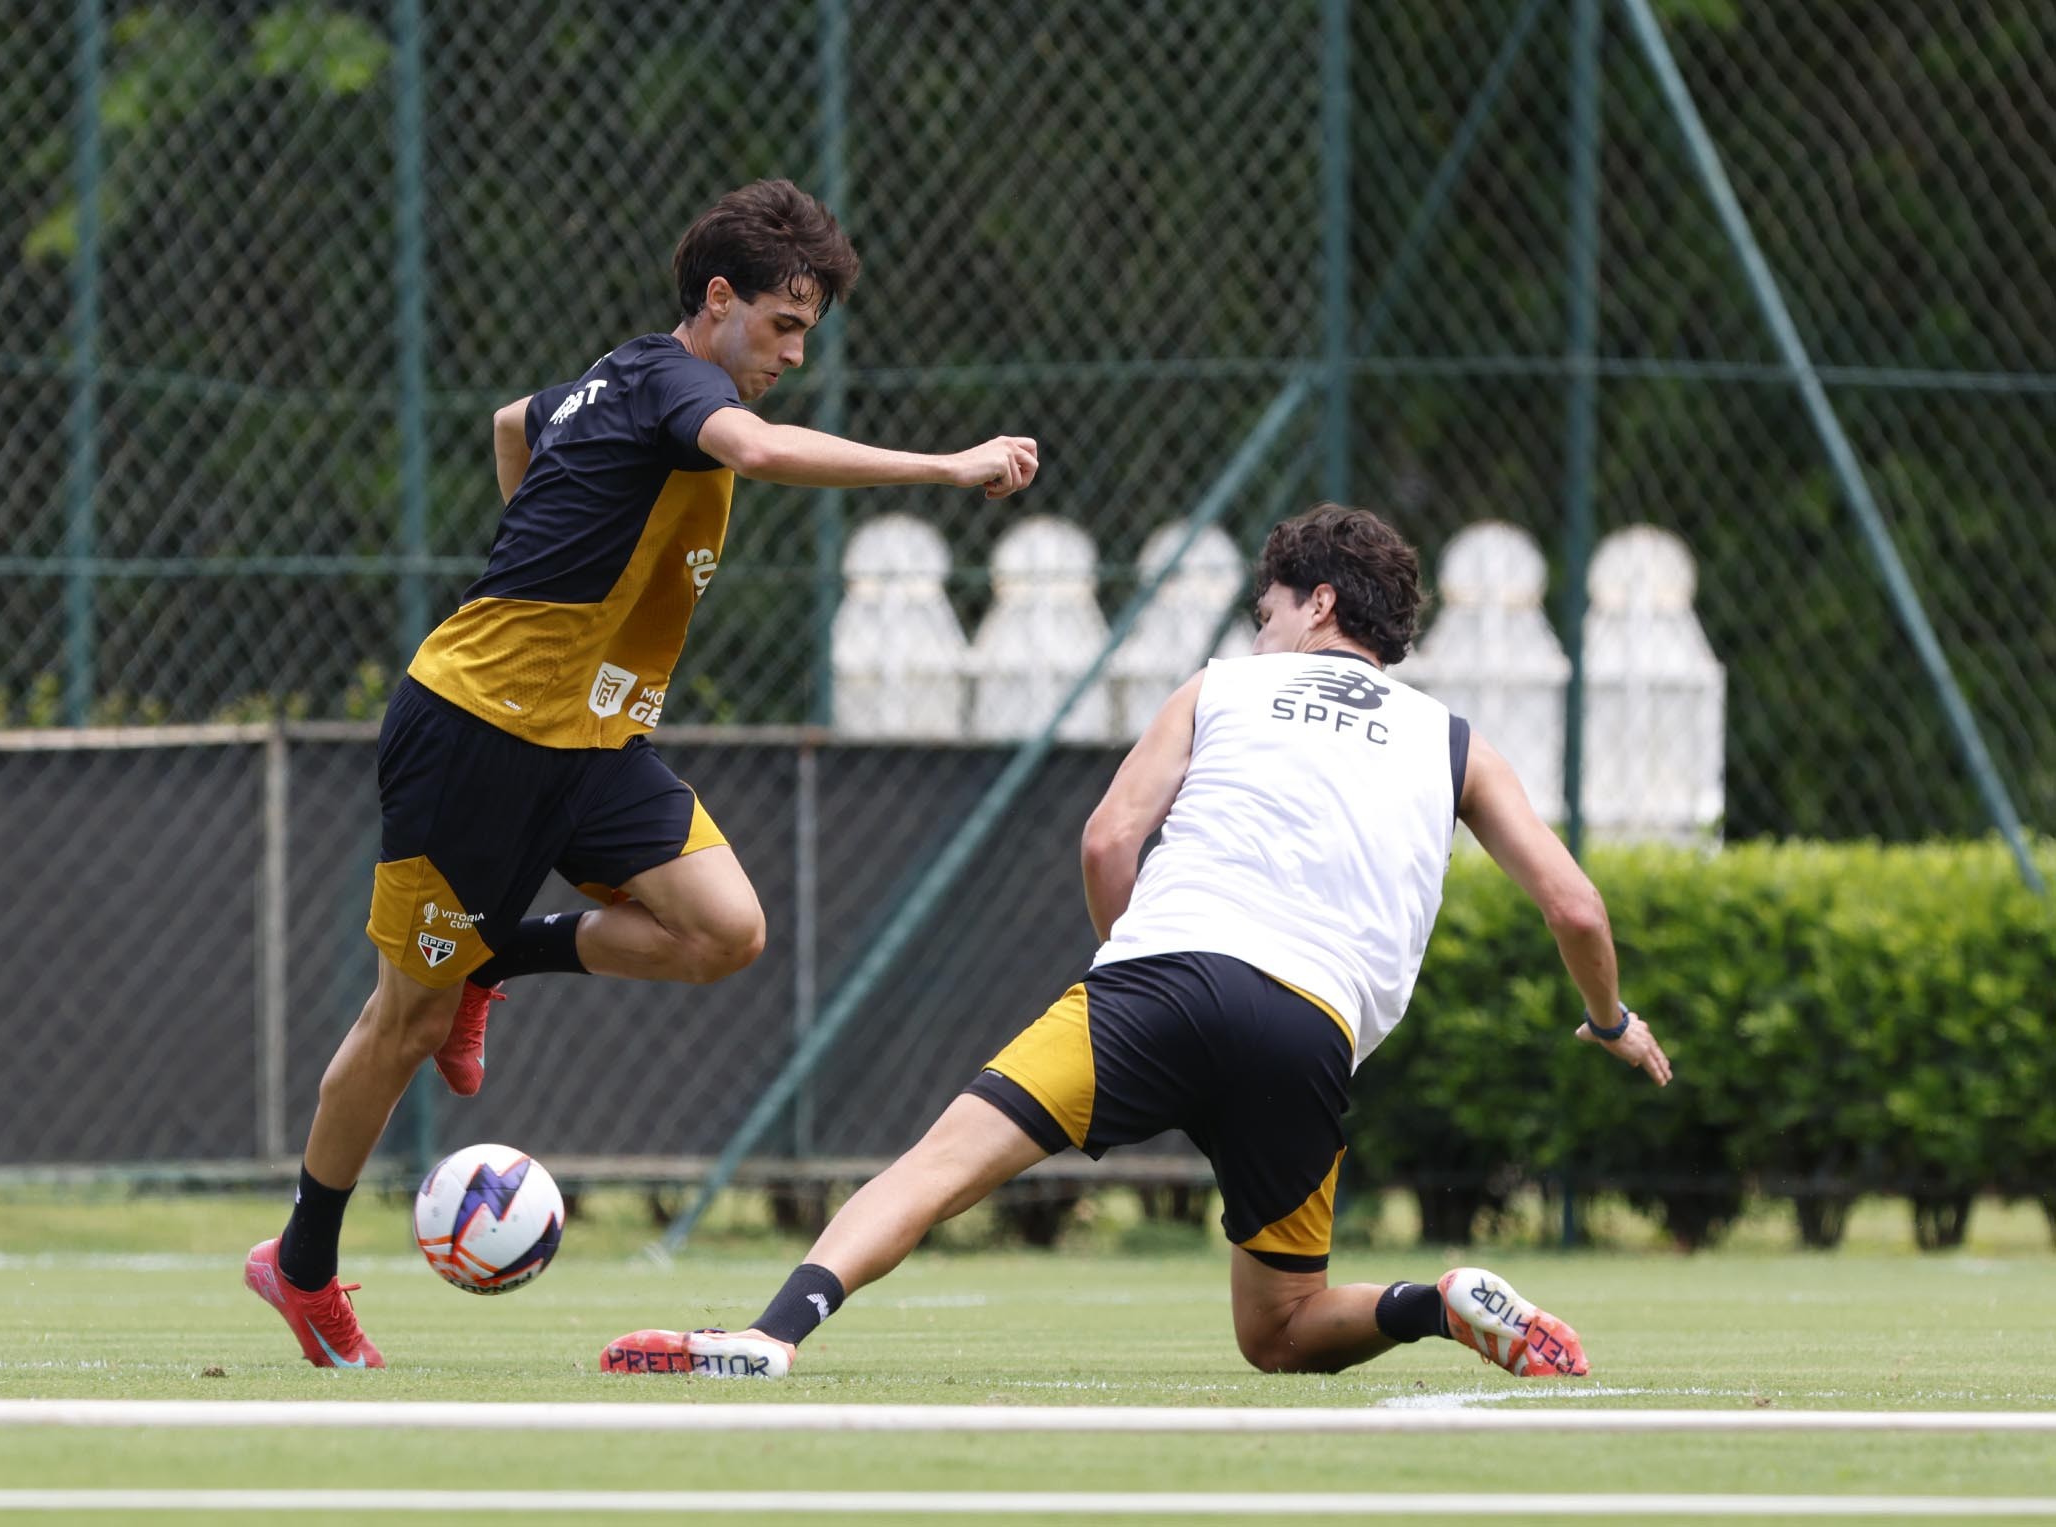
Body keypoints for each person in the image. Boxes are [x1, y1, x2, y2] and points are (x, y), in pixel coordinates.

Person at [244, 179, 1040, 1368]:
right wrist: (945, 466)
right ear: (716, 300)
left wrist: (549, 533)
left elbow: (513, 422)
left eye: (806, 332)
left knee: (723, 931)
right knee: (403, 1020)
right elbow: (755, 451)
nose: (792, 353)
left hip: (590, 741)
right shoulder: (676, 383)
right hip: (477, 730)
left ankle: (493, 958)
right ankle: (301, 1265)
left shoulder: (622, 380)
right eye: (780, 324)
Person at [600, 504, 1671, 1381]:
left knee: (935, 1168)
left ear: (1319, 604)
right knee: (1281, 1332)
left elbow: (1108, 838)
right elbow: (1575, 907)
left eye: (1266, 612)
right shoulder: (1453, 740)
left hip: (1152, 988)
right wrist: (1610, 1019)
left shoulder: (1222, 685)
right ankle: (1437, 1305)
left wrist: (1139, 963)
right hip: (1308, 1033)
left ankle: (771, 1334)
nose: (1259, 633)